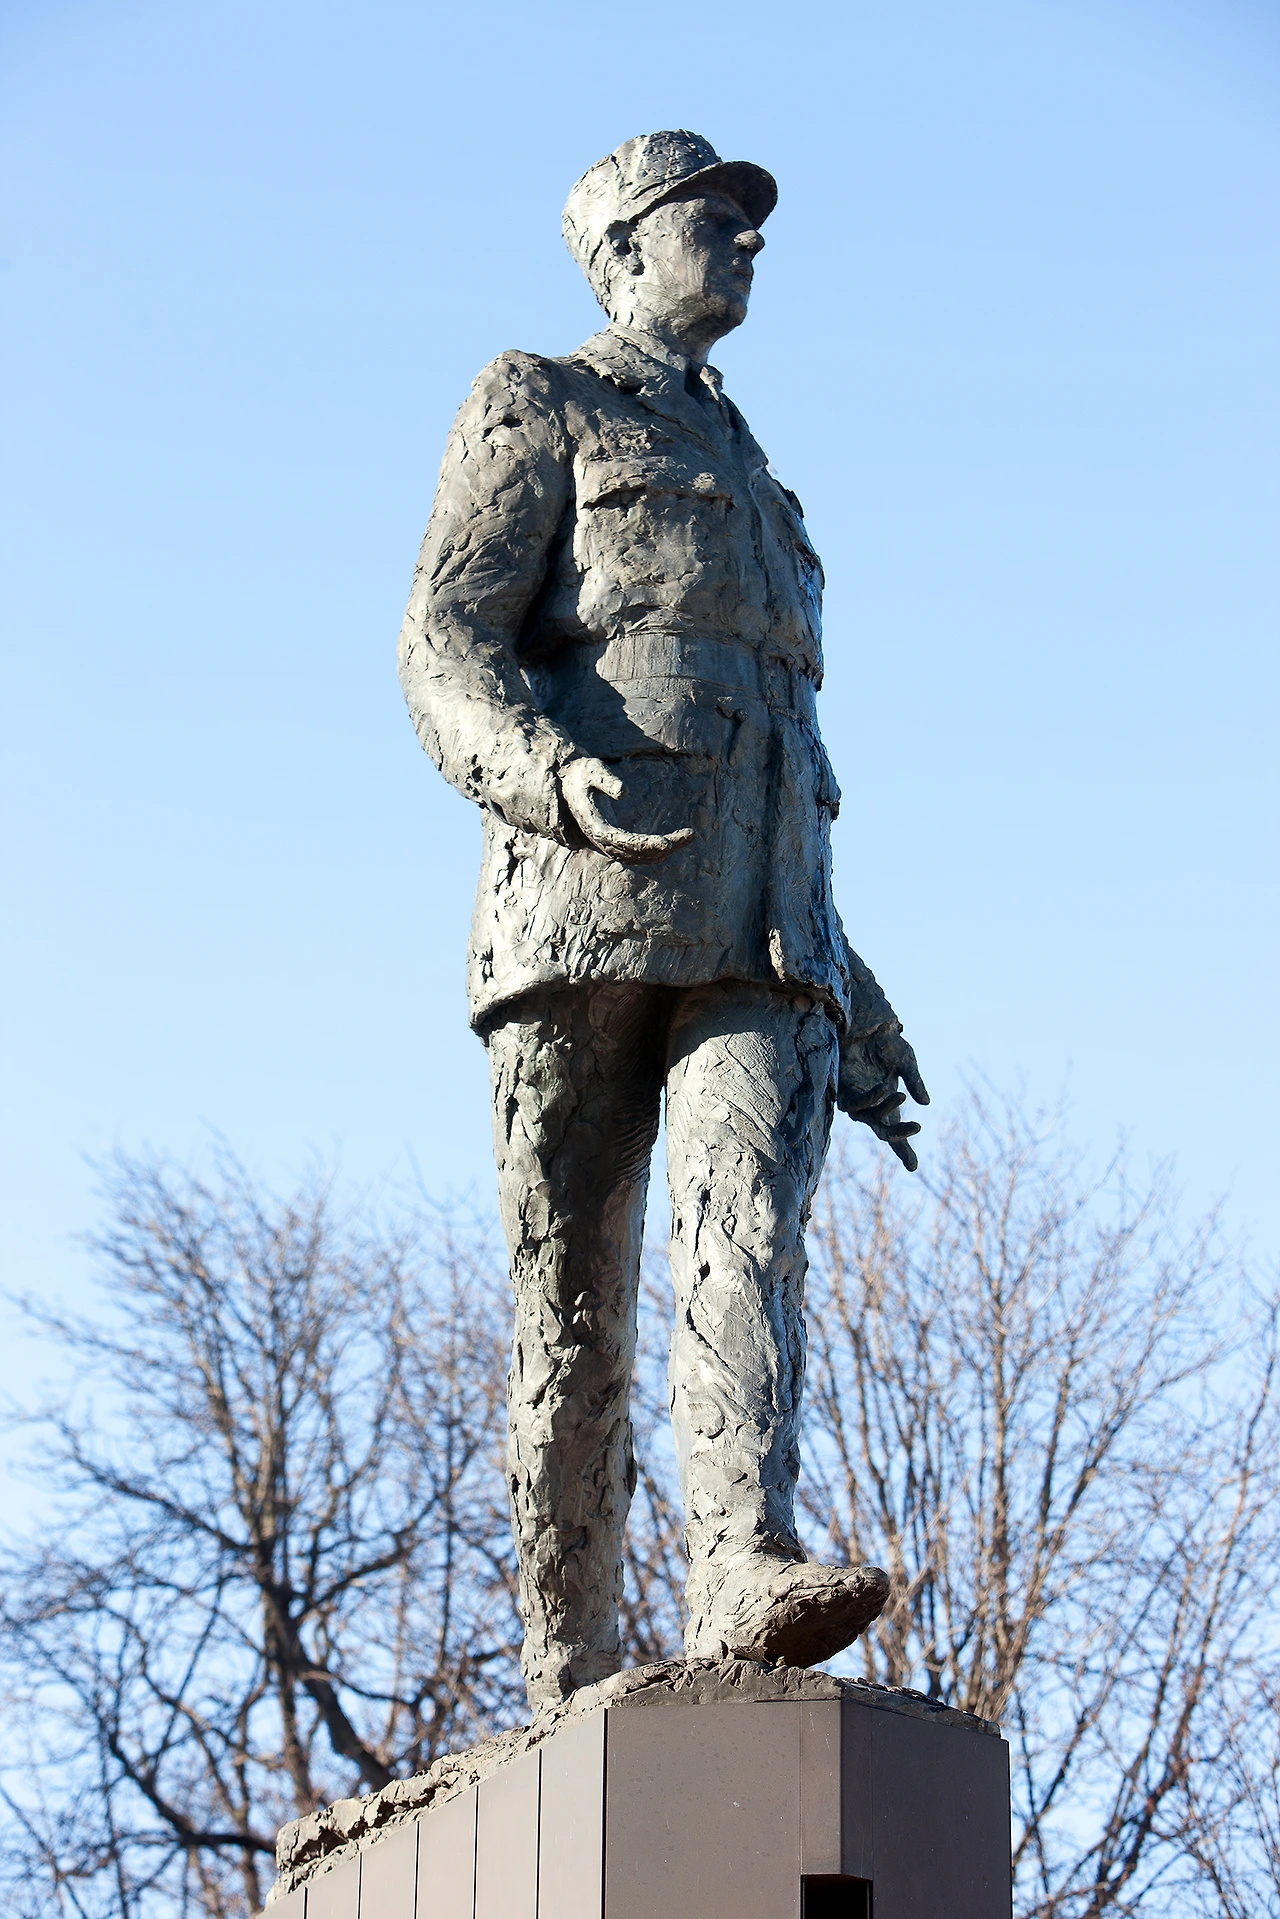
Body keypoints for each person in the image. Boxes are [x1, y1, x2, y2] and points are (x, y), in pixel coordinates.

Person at [398, 130, 929, 1712]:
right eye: (715, 216)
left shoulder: (762, 478)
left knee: (746, 1227)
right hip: (575, 912)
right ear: (623, 247)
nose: (748, 239)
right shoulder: (538, 400)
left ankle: (740, 1562)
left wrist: (853, 984)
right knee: (573, 1303)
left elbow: (780, 739)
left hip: (764, 932)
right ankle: (565, 1657)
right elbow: (443, 641)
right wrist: (544, 774)